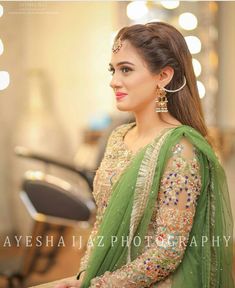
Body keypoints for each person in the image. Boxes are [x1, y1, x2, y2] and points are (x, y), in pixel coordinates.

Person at [55, 22, 234, 288]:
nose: (114, 81)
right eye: (113, 70)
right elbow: (101, 224)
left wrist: (99, 285)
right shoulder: (118, 137)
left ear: (163, 76)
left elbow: (166, 253)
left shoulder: (181, 148)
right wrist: (84, 276)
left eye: (126, 69)